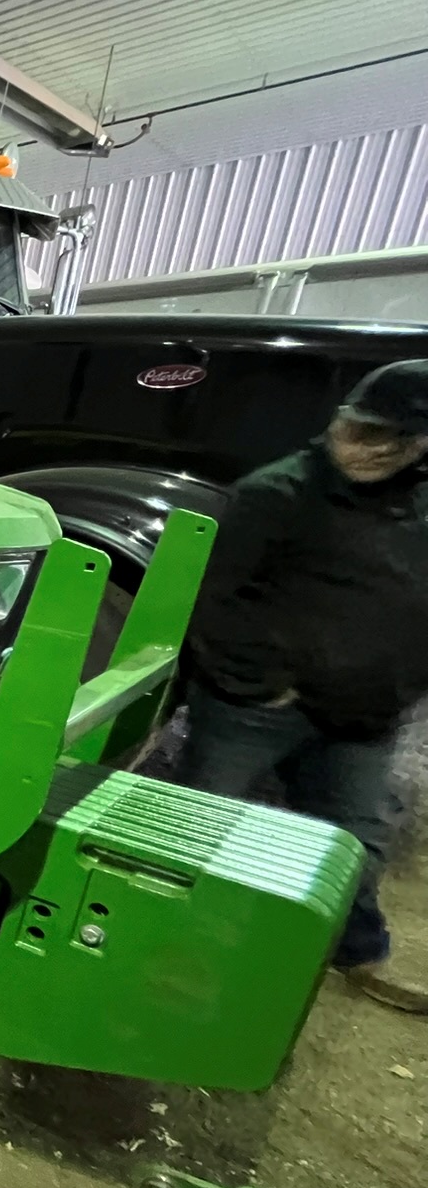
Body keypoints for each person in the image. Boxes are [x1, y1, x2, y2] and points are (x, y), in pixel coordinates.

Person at [179, 359, 428, 1013]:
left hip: (364, 715)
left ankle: (356, 950)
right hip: (257, 710)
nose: (366, 449)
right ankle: (177, 947)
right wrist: (259, 683)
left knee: (355, 843)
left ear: (419, 446)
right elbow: (215, 600)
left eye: (390, 440)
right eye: (358, 430)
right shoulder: (277, 493)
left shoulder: (419, 506)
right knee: (202, 825)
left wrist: (401, 682)